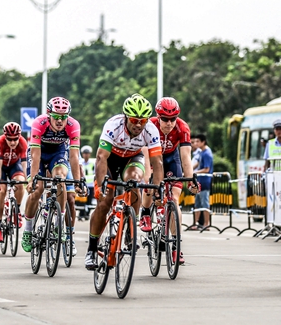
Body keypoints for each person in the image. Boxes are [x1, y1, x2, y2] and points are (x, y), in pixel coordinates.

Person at [86, 94, 164, 270]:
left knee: (135, 181)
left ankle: (130, 228)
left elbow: (157, 162)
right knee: (105, 203)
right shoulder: (114, 125)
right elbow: (101, 157)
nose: (138, 125)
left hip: (132, 158)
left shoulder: (151, 130)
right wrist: (100, 186)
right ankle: (91, 249)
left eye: (142, 121)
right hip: (111, 160)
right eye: (135, 120)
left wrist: (158, 188)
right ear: (126, 117)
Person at [22, 97, 84, 254]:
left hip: (58, 153)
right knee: (37, 190)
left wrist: (77, 181)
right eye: (56, 116)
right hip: (39, 153)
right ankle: (28, 230)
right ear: (49, 115)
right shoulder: (39, 123)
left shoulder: (73, 125)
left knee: (60, 179)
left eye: (64, 117)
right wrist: (33, 179)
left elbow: (74, 156)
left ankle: (59, 225)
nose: (60, 121)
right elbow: (35, 155)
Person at [140, 97, 197, 264]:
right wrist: (148, 177)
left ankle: (176, 246)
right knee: (150, 185)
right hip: (152, 155)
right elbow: (144, 155)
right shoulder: (149, 125)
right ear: (158, 117)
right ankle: (144, 212)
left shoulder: (182, 127)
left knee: (174, 200)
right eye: (165, 119)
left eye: (173, 118)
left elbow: (186, 156)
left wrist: (191, 179)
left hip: (172, 158)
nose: (169, 123)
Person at [0, 121, 28, 243]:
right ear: (5, 136)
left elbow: (24, 165)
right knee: (1, 191)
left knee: (20, 182)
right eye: (9, 139)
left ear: (19, 136)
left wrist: (27, 181)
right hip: (2, 167)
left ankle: (16, 211)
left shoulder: (23, 143)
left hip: (14, 166)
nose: (12, 142)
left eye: (15, 139)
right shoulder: (0, 142)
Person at [191, 134, 214, 230]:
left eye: (197, 142)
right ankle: (195, 224)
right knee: (198, 203)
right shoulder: (201, 152)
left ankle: (206, 224)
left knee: (205, 203)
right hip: (199, 181)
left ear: (203, 142)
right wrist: (189, 170)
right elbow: (197, 164)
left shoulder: (207, 153)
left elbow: (207, 169)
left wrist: (195, 172)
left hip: (205, 181)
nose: (195, 144)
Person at [79, 145, 95, 219]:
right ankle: (81, 214)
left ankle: (87, 214)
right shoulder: (80, 162)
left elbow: (95, 173)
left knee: (89, 200)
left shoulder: (92, 163)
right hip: (83, 184)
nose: (86, 155)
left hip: (91, 184)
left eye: (87, 153)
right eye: (84, 153)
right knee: (81, 199)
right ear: (82, 154)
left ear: (90, 154)